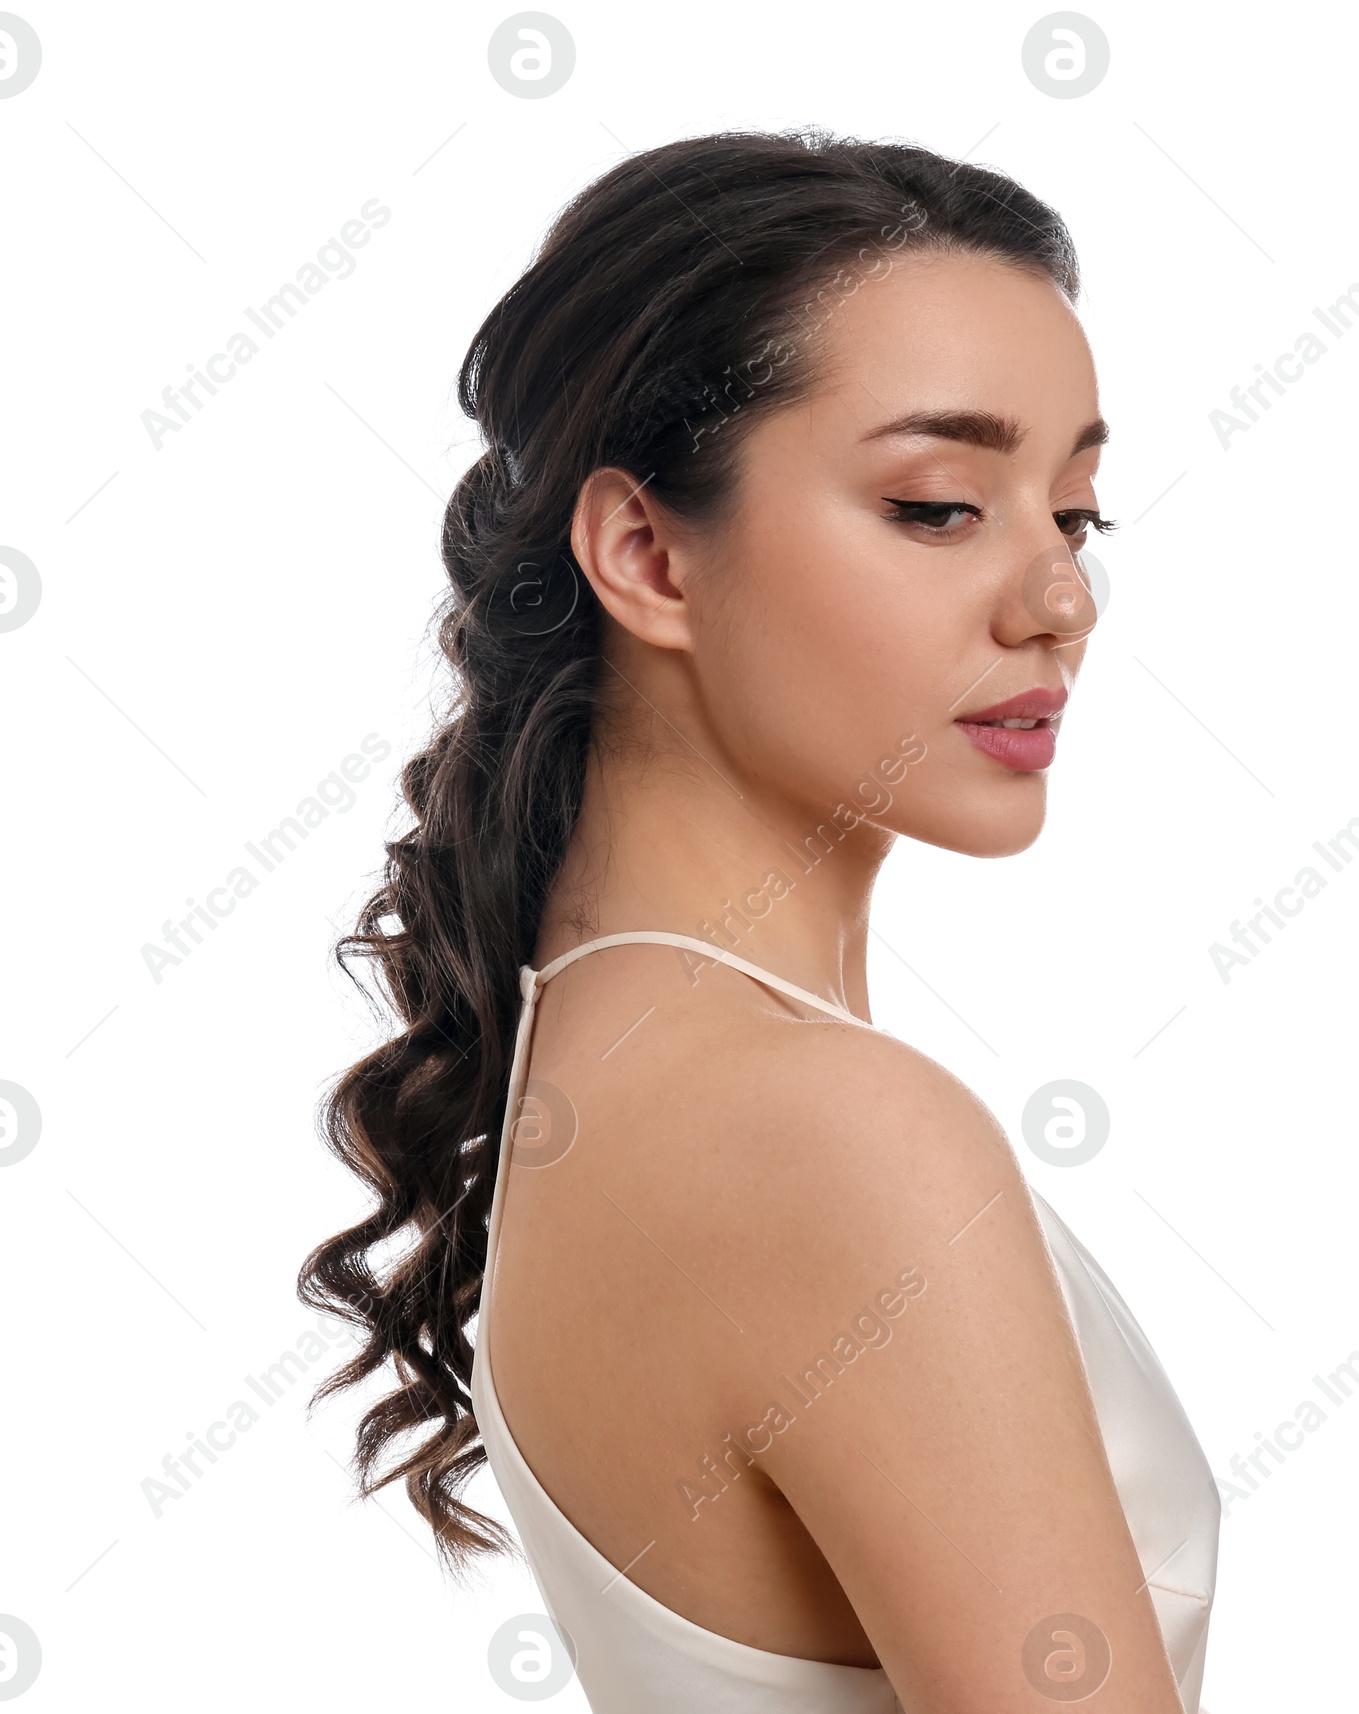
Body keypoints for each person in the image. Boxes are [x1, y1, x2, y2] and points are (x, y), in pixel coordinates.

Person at [300, 128, 1220, 1713]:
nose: (1059, 600)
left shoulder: (613, 1077)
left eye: (1074, 514)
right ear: (648, 555)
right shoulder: (827, 1133)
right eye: (938, 505)